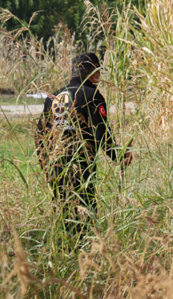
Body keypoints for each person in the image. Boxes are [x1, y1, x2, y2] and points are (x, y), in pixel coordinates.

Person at [35, 52, 130, 235]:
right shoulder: (92, 95)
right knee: (85, 213)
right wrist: (119, 156)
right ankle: (83, 253)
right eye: (98, 71)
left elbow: (40, 134)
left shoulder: (53, 97)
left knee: (63, 213)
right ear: (92, 71)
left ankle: (65, 250)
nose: (99, 77)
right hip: (81, 164)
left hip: (56, 164)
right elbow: (101, 133)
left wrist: (45, 163)